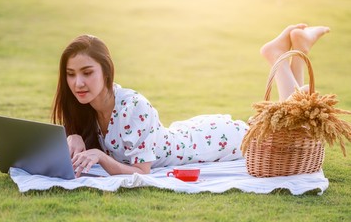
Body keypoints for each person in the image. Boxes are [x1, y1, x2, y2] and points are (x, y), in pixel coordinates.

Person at [51, 24, 330, 177]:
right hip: (189, 133)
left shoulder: (132, 106)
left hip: (216, 142)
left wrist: (99, 155)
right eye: (71, 74)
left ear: (107, 72)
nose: (78, 83)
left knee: (293, 126)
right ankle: (299, 46)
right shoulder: (84, 108)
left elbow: (140, 172)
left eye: (87, 73)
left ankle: (277, 56)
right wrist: (74, 138)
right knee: (289, 116)